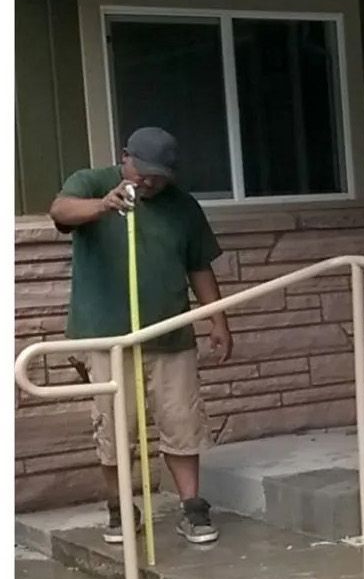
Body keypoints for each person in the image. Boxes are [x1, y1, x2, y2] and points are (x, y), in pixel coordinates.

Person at [48, 126, 233, 545]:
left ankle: (193, 507)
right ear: (125, 157)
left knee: (182, 421)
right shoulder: (91, 181)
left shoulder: (182, 206)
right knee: (115, 427)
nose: (148, 182)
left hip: (169, 333)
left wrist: (217, 320)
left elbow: (199, 266)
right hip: (106, 336)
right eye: (142, 171)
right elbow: (60, 211)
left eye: (159, 176)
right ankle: (120, 508)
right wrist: (102, 205)